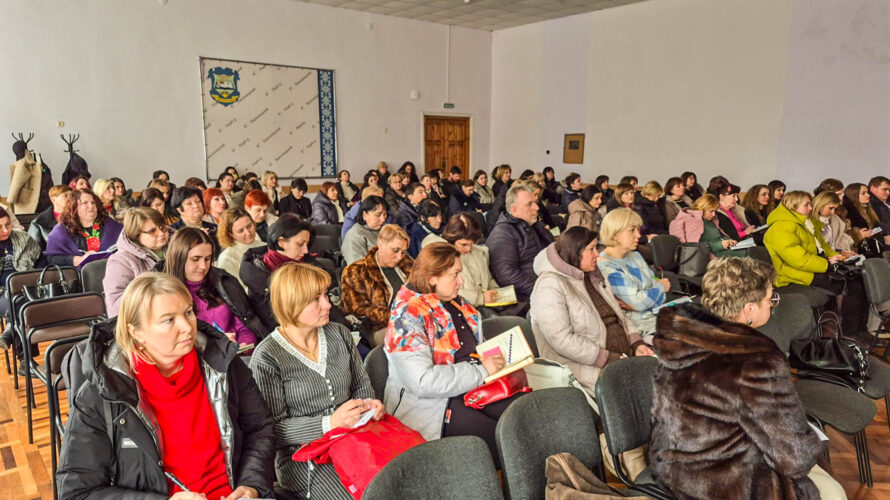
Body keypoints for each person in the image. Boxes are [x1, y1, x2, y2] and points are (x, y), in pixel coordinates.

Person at [56, 272, 276, 499]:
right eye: (169, 320)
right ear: (136, 332)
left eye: (188, 312)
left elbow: (259, 428)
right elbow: (78, 492)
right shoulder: (101, 392)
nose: (188, 327)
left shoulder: (224, 364)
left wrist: (252, 485)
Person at [650, 257, 846, 499]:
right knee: (833, 492)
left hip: (676, 475)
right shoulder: (756, 360)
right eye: (769, 299)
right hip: (729, 486)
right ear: (749, 310)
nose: (773, 305)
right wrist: (812, 440)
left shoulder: (679, 339)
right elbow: (794, 457)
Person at [250, 263, 383, 499]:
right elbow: (274, 428)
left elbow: (361, 385)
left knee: (401, 483)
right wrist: (329, 423)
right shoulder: (268, 356)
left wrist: (368, 404)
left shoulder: (338, 333)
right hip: (307, 460)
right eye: (316, 298)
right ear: (293, 303)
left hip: (354, 441)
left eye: (325, 295)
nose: (327, 304)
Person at [384, 243, 525, 458]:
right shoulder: (407, 315)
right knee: (499, 439)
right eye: (456, 274)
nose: (462, 281)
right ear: (432, 278)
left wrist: (496, 358)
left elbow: (472, 346)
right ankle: (513, 488)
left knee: (523, 417)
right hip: (433, 404)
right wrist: (482, 371)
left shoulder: (453, 301)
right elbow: (422, 381)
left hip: (473, 384)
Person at [531, 226, 653, 396]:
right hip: (584, 367)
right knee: (647, 393)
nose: (597, 254)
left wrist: (636, 343)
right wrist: (609, 358)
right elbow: (561, 340)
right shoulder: (550, 285)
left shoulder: (593, 275)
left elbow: (620, 315)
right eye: (591, 249)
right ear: (575, 252)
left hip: (621, 357)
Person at [764, 191, 869, 341]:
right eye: (806, 204)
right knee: (850, 285)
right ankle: (850, 333)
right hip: (793, 275)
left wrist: (835, 256)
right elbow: (798, 259)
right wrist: (826, 263)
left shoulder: (802, 223)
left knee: (859, 279)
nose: (811, 207)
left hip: (810, 269)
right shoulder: (782, 227)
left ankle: (857, 329)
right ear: (793, 206)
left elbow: (822, 246)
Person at [165, 228, 268, 348]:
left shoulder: (223, 281)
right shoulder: (164, 295)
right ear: (179, 258)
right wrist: (217, 344)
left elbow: (244, 324)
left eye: (207, 259)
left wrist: (245, 343)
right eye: (195, 259)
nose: (203, 266)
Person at [241, 215, 337, 331]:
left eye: (307, 245)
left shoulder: (307, 263)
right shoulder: (258, 276)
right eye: (300, 244)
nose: (306, 251)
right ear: (281, 242)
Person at [435, 213, 527, 318]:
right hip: (467, 310)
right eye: (464, 245)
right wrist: (481, 298)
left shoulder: (479, 253)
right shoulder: (443, 260)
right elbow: (449, 292)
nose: (469, 249)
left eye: (472, 243)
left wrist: (498, 293)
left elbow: (488, 279)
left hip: (489, 303)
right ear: (451, 240)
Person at [596, 208, 668, 336]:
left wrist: (645, 299)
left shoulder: (635, 256)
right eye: (632, 230)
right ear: (614, 234)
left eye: (638, 230)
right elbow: (639, 303)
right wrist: (661, 286)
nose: (638, 236)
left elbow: (647, 300)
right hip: (640, 330)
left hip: (658, 318)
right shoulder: (606, 266)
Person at [341, 224, 414, 346]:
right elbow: (358, 309)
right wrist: (396, 317)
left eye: (403, 252)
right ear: (380, 244)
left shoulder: (408, 264)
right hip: (379, 327)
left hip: (413, 319)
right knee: (411, 340)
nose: (399, 257)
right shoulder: (356, 271)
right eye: (395, 250)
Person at [487, 182, 554, 302]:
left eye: (536, 203)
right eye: (530, 204)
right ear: (514, 210)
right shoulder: (503, 233)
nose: (537, 208)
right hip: (527, 298)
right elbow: (507, 275)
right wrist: (542, 290)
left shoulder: (533, 225)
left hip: (548, 286)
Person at [104, 207, 169, 316]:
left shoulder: (179, 245)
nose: (161, 234)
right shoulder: (120, 261)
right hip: (144, 318)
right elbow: (116, 305)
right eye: (152, 231)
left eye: (162, 227)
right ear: (136, 236)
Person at [0, 207, 44, 352]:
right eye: (0, 227)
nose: (6, 230)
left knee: (21, 302)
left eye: (8, 224)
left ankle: (10, 331)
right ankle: (26, 359)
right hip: (2, 293)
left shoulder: (23, 238)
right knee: (22, 306)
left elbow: (40, 263)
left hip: (28, 288)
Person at [45, 189, 123, 268]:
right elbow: (51, 258)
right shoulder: (61, 230)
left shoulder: (110, 224)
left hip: (112, 270)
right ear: (74, 206)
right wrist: (78, 259)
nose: (91, 206)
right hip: (79, 277)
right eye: (85, 203)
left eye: (93, 202)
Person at [670, 194, 745, 258]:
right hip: (710, 255)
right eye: (711, 211)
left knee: (752, 251)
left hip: (722, 250)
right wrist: (720, 245)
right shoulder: (692, 221)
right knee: (751, 254)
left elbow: (719, 236)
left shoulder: (711, 219)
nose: (714, 214)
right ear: (702, 209)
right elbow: (695, 247)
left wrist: (728, 241)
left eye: (715, 211)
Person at [217, 207, 266, 289]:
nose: (248, 233)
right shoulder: (227, 258)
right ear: (231, 234)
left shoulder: (264, 245)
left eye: (249, 226)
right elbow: (238, 292)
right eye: (241, 231)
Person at [341, 196, 388, 265]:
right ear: (364, 215)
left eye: (385, 215)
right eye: (378, 215)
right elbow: (358, 268)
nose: (383, 219)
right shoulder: (355, 235)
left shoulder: (386, 229)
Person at [29, 184, 69, 250]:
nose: (69, 199)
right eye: (65, 195)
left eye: (72, 196)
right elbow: (32, 250)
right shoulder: (39, 222)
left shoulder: (78, 217)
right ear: (53, 200)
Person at [868, 176, 890, 242]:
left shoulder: (881, 203)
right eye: (884, 189)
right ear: (872, 188)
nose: (888, 193)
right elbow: (878, 227)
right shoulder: (872, 204)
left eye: (889, 190)